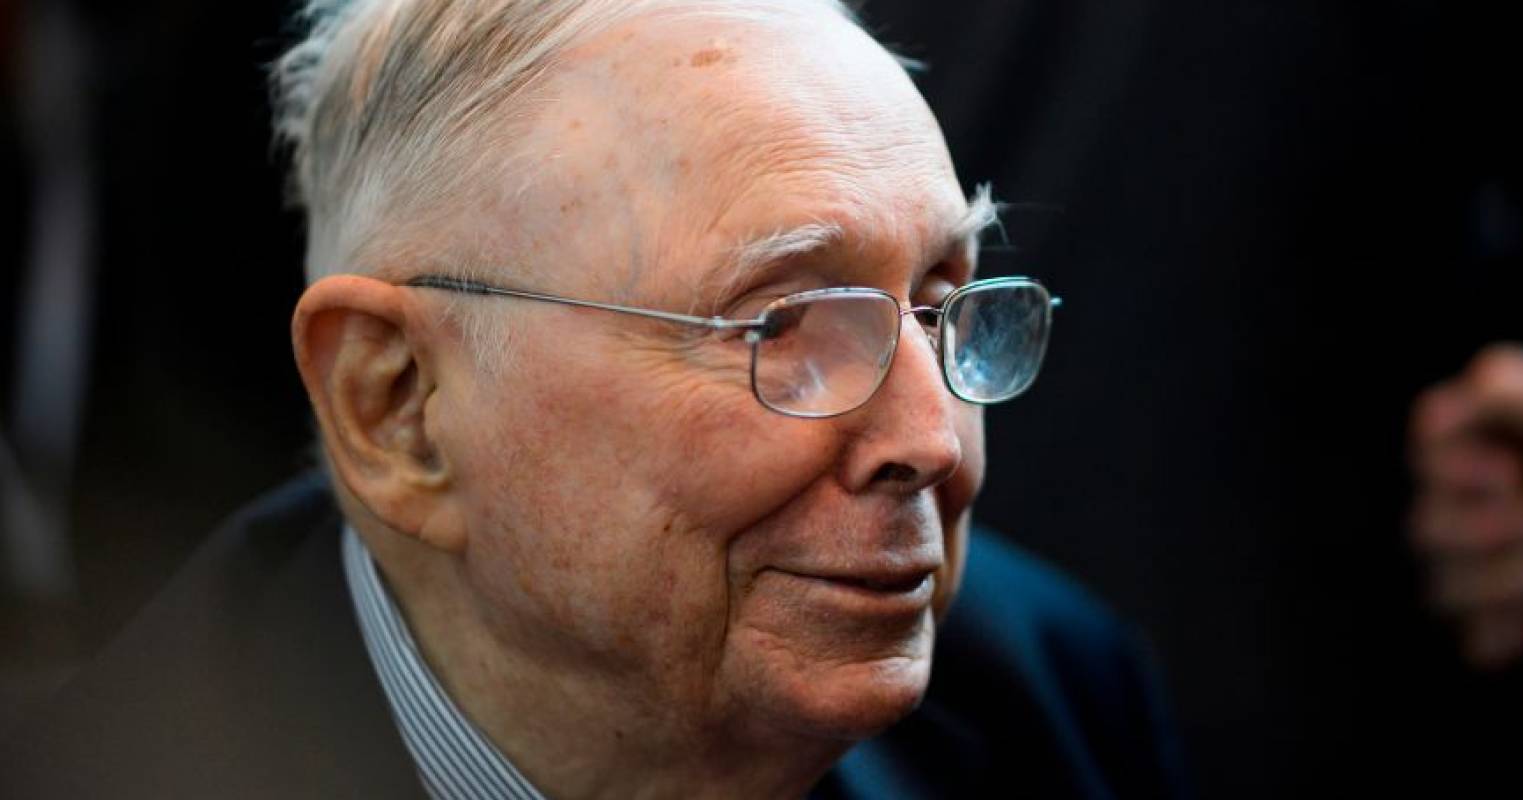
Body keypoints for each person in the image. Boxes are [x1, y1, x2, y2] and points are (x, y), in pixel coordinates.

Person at [1, 0, 1183, 797]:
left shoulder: (1053, 700)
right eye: (783, 324)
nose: (934, 440)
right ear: (397, 407)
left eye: (942, 302)